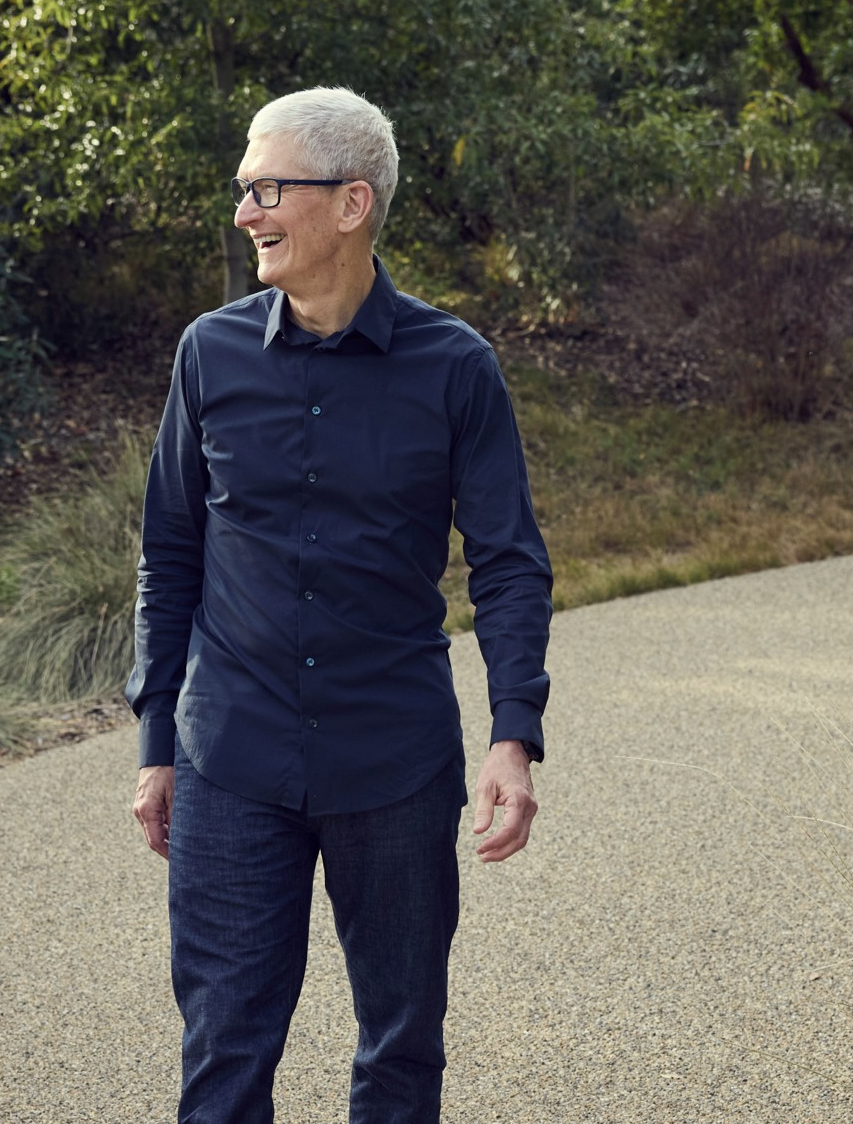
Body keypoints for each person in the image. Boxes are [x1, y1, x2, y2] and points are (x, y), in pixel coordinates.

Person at [126, 86, 554, 1123]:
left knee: (401, 1047)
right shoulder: (210, 353)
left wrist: (513, 736)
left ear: (352, 203)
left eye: (267, 188)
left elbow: (508, 562)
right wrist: (155, 738)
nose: (245, 212)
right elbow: (170, 550)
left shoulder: (457, 367)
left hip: (394, 763)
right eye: (243, 189)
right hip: (231, 759)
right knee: (224, 1052)